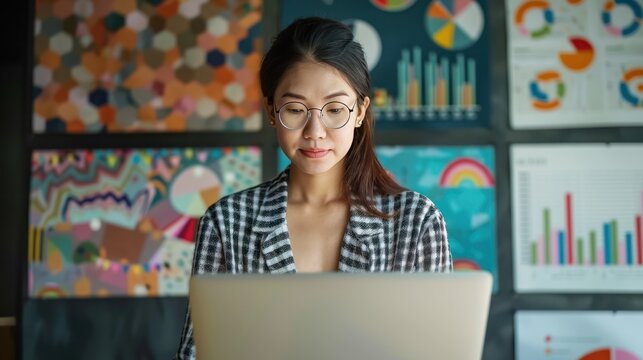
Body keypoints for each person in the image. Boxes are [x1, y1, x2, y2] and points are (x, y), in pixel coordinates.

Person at [175, 16, 452, 359]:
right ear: (272, 111)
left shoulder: (416, 221)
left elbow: (440, 351)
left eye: (335, 109)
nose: (315, 131)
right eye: (295, 109)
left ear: (360, 111)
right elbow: (196, 353)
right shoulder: (226, 222)